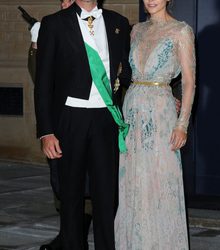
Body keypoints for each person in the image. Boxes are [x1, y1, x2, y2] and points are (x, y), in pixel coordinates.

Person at [34, 0, 131, 249]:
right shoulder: (54, 23)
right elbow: (43, 84)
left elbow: (127, 71)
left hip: (104, 120)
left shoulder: (118, 23)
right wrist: (46, 131)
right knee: (70, 196)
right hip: (70, 119)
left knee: (106, 197)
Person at [115, 0, 196, 249]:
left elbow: (189, 82)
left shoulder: (181, 31)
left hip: (161, 116)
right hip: (132, 111)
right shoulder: (136, 30)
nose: (151, 0)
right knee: (132, 179)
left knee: (159, 179)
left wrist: (182, 124)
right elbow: (129, 73)